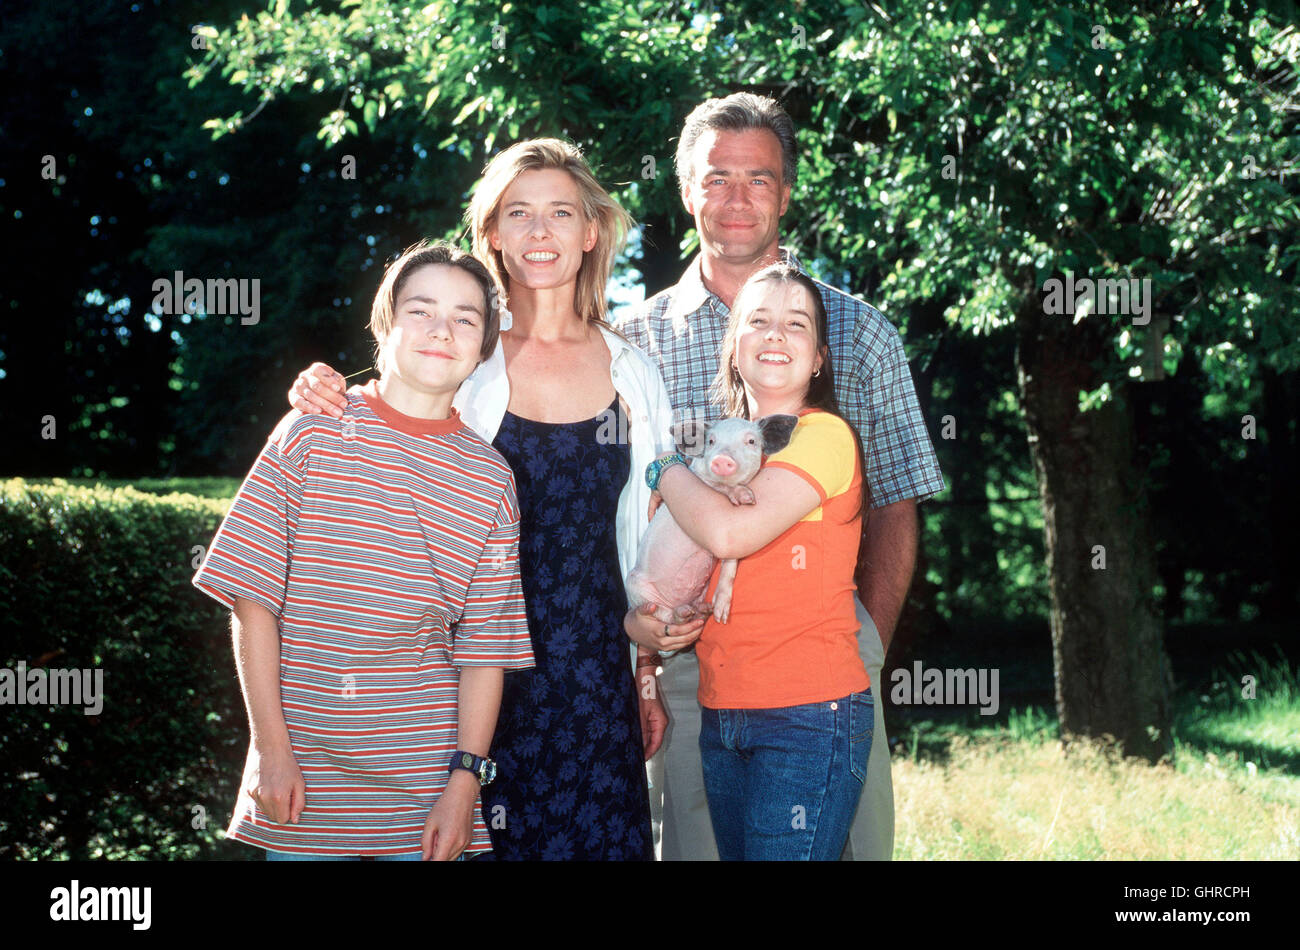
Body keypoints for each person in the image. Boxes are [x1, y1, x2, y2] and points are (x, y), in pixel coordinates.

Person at [285, 139, 681, 860]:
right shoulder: (463, 351)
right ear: (492, 233)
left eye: (561, 212)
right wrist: (322, 388)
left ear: (590, 232)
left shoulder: (635, 373)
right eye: (518, 213)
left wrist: (646, 675)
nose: (539, 231)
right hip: (461, 681)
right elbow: (385, 415)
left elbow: (645, 540)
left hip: (596, 683)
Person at [617, 92, 946, 861]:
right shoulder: (631, 341)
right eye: (717, 177)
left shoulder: (857, 331)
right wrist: (642, 656)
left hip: (821, 664)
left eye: (759, 179)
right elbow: (613, 507)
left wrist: (867, 647)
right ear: (686, 190)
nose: (737, 199)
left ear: (787, 193)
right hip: (692, 665)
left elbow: (897, 502)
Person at [193, 241, 534, 860]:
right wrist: (270, 747)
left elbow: (485, 649)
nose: (441, 330)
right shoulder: (311, 430)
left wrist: (464, 785)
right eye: (421, 310)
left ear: (485, 346)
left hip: (426, 794)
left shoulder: (490, 477)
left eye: (466, 318)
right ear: (384, 324)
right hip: (304, 782)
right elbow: (250, 600)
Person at [649, 262, 872, 859]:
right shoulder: (723, 448)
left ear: (820, 357)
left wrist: (662, 469)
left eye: (796, 325)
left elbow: (728, 533)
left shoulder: (823, 436)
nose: (776, 335)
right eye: (759, 322)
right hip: (724, 709)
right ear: (733, 345)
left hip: (807, 713)